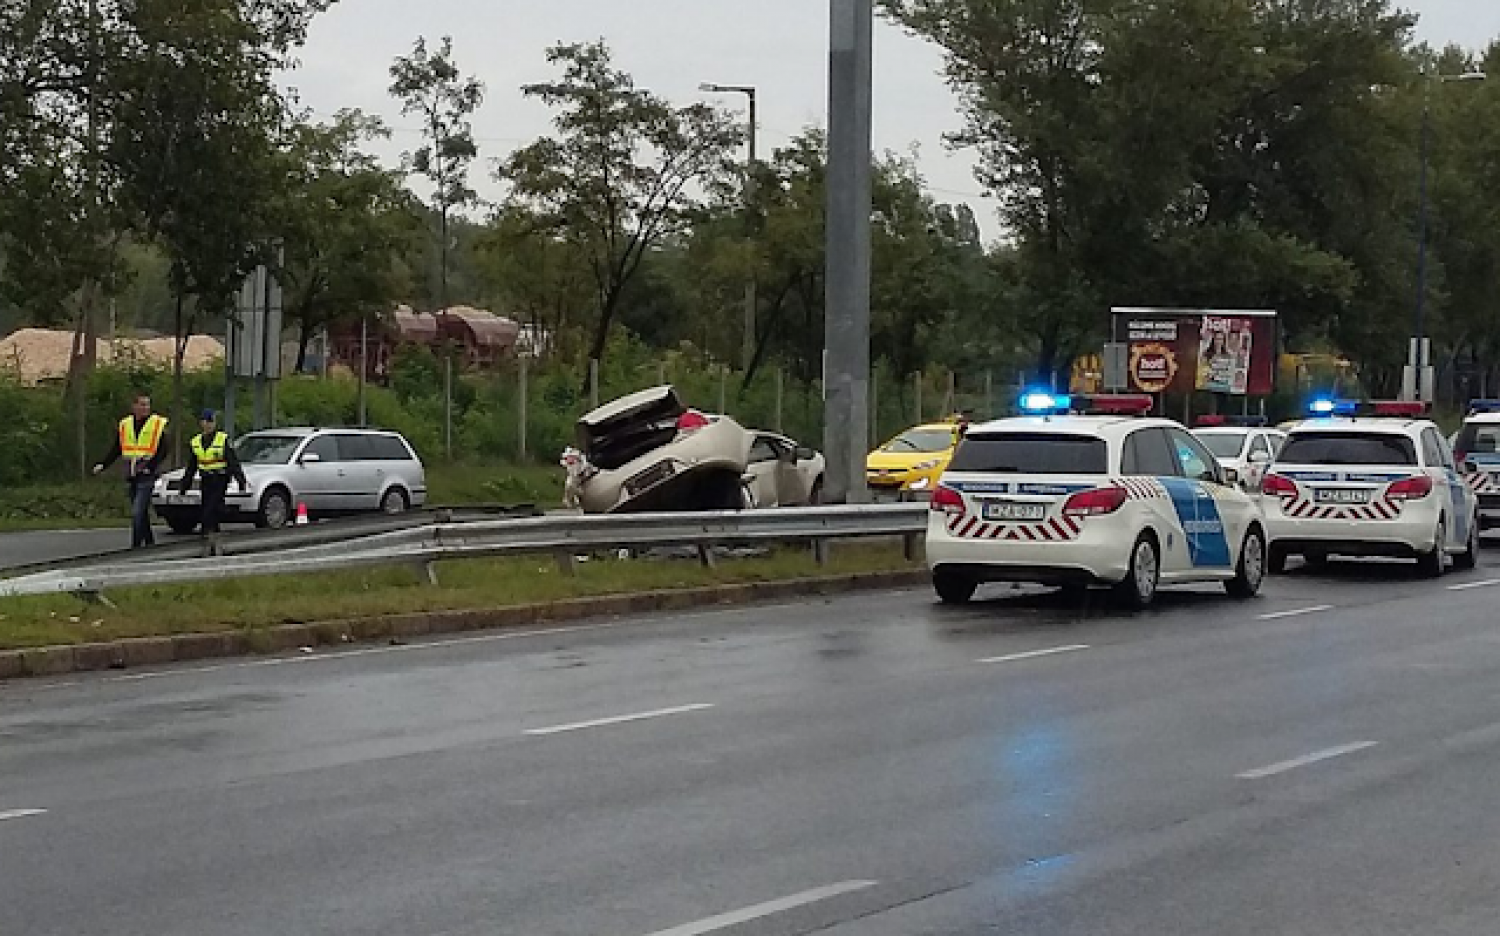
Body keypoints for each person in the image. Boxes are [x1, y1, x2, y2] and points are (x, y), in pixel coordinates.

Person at [93, 392, 170, 548]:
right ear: (134, 406)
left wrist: (151, 466)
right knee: (141, 512)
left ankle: (135, 546)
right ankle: (149, 543)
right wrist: (104, 464)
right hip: (131, 473)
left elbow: (163, 449)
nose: (145, 408)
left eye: (147, 404)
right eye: (142, 404)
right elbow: (117, 448)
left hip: (147, 474)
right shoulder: (125, 424)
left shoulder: (156, 424)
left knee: (137, 511)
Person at [178, 410, 247, 536]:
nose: (209, 425)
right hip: (205, 479)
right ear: (201, 423)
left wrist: (241, 480)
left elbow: (233, 461)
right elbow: (191, 466)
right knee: (209, 507)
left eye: (211, 422)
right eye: (207, 421)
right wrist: (185, 485)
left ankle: (207, 532)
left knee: (210, 508)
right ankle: (214, 532)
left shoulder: (222, 439)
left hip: (220, 478)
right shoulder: (196, 442)